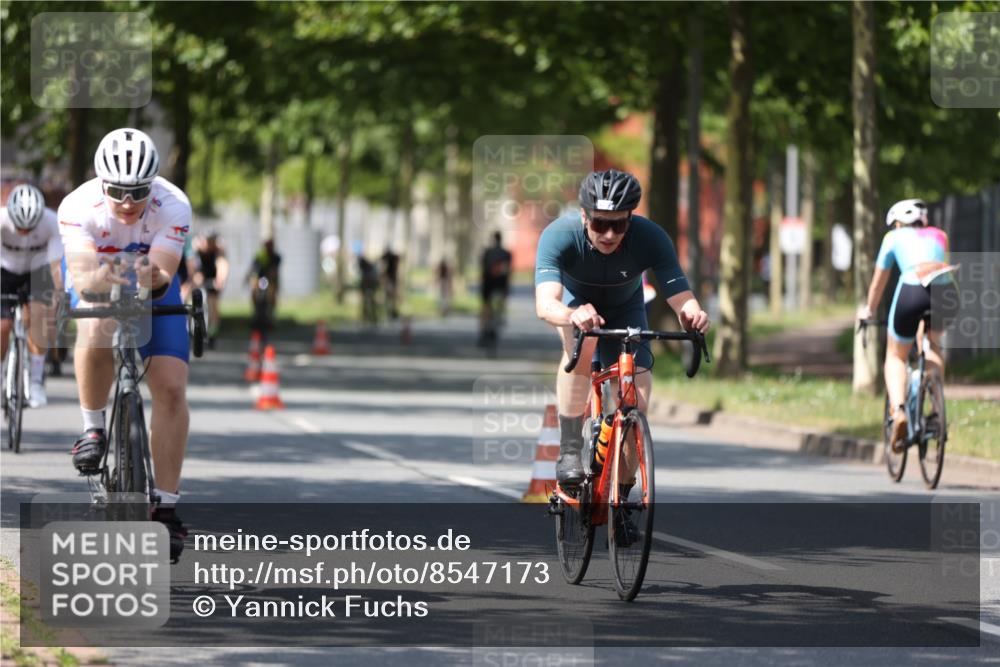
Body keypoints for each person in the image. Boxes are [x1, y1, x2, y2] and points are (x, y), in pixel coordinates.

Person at [58, 128, 192, 560]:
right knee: (96, 326)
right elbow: (83, 280)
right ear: (101, 183)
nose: (128, 202)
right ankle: (92, 427)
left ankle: (166, 510)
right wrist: (104, 277)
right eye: (118, 192)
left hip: (152, 283)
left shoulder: (173, 204)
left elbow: (164, 273)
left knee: (171, 387)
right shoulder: (77, 206)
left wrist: (151, 276)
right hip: (99, 278)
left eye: (138, 192)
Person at [534, 169, 710, 490]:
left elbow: (679, 292)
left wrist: (693, 313)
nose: (610, 235)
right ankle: (571, 448)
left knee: (635, 401)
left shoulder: (651, 236)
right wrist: (572, 314)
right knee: (582, 344)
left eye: (619, 224)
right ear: (584, 216)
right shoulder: (559, 235)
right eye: (601, 223)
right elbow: (545, 304)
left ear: (631, 218)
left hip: (626, 308)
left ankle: (624, 491)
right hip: (578, 307)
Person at [858, 198, 957, 450]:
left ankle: (899, 410)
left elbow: (879, 282)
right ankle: (936, 410)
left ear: (899, 222)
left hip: (912, 290)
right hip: (946, 292)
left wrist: (868, 310)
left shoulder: (893, 238)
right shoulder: (940, 235)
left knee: (896, 355)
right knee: (932, 346)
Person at [1, 184, 64, 408]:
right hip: (4, 270)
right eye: (20, 228)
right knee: (3, 326)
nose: (25, 233)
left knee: (40, 316)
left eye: (30, 228)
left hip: (37, 270)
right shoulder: (1, 221)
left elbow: (56, 265)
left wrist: (57, 294)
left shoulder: (51, 221)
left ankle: (36, 380)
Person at [194, 233, 229, 346]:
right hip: (200, 278)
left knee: (213, 305)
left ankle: (213, 332)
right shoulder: (197, 251)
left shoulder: (218, 253)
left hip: (213, 281)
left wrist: (220, 280)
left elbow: (223, 266)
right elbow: (194, 268)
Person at [479, 231, 512, 344]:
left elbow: (482, 269)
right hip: (500, 284)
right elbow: (508, 271)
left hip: (488, 284)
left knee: (485, 307)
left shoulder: (487, 252)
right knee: (499, 306)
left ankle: (484, 329)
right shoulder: (506, 253)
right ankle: (498, 320)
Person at [247, 239, 280, 340]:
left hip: (270, 280)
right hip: (260, 279)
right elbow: (253, 269)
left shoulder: (276, 257)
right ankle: (255, 311)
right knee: (253, 289)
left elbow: (274, 271)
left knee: (272, 292)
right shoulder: (259, 256)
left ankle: (271, 313)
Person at [380, 246, 400, 320]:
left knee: (390, 296)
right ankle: (391, 311)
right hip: (391, 279)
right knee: (390, 297)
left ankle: (391, 311)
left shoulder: (391, 259)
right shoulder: (392, 259)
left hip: (390, 280)